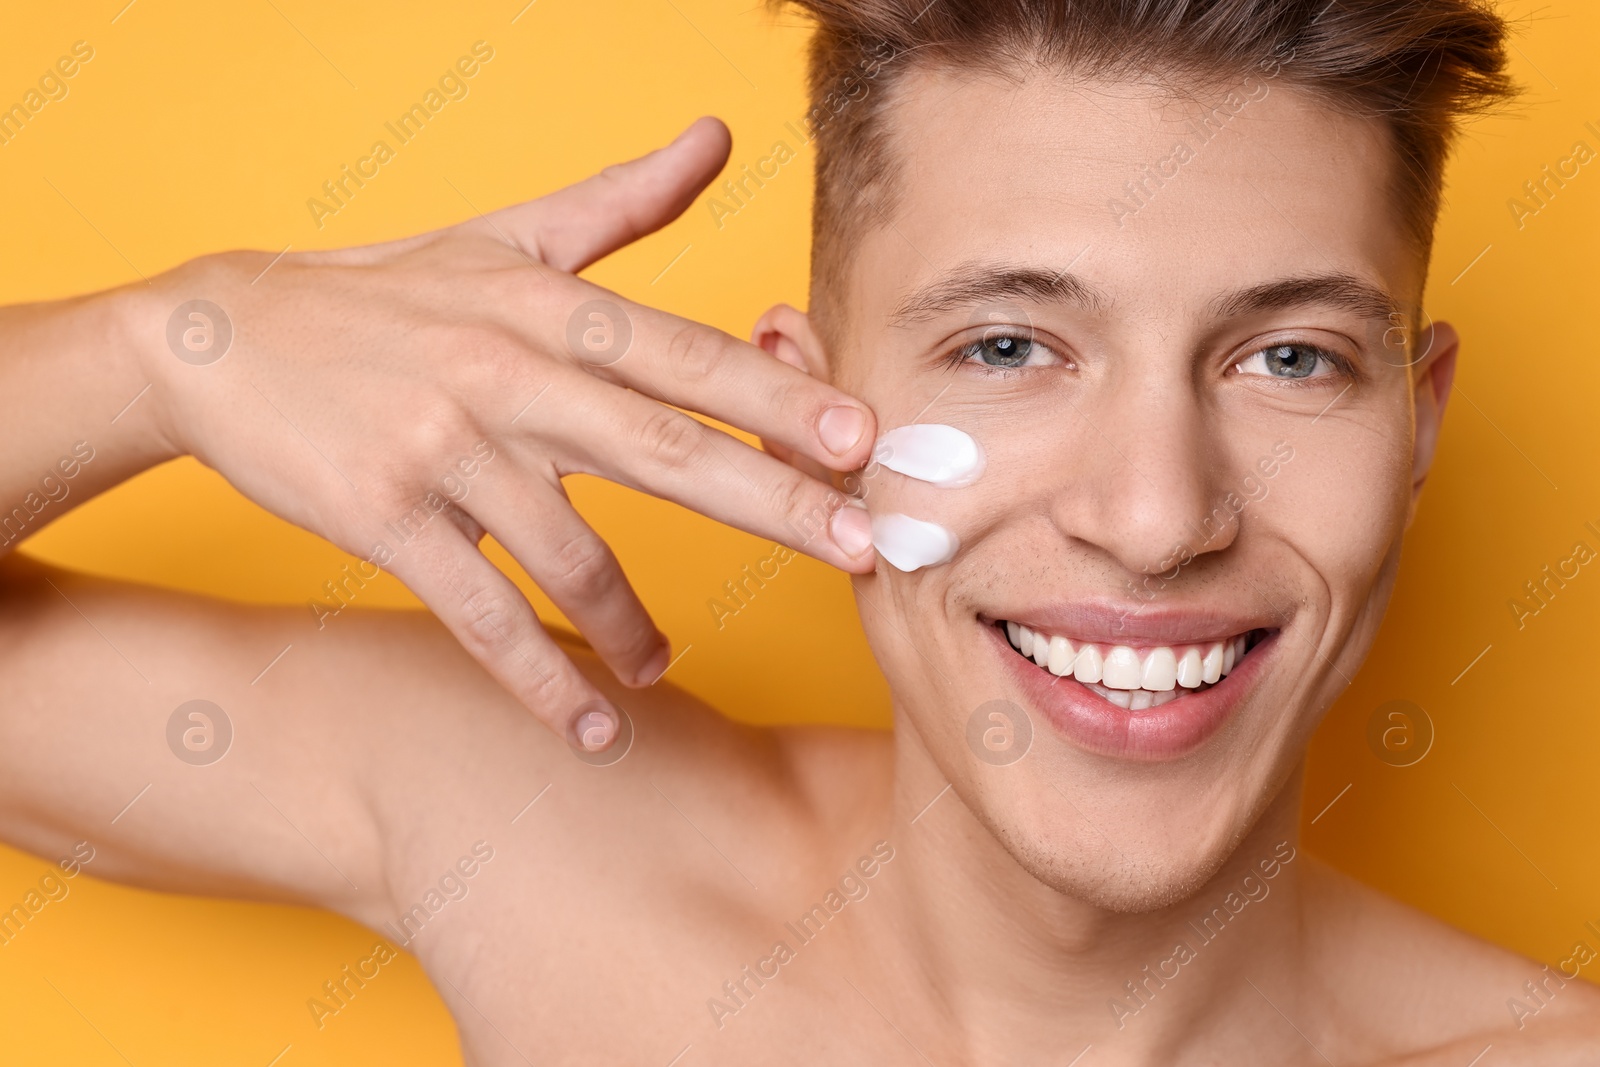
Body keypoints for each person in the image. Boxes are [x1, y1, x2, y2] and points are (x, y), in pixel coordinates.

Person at [2, 0, 1596, 1063]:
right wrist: (169, 348)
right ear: (810, 417)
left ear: (1418, 420)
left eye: (1290, 358)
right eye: (1010, 348)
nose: (1158, 516)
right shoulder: (533, 833)